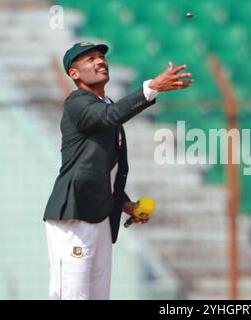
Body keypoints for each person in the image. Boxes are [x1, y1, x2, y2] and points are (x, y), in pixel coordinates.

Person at [43, 41, 193, 300]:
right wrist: (151, 88)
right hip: (74, 215)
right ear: (74, 74)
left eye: (101, 56)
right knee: (73, 296)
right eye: (89, 59)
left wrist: (125, 204)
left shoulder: (105, 105)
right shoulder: (77, 102)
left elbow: (99, 169)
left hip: (100, 216)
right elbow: (109, 116)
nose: (100, 61)